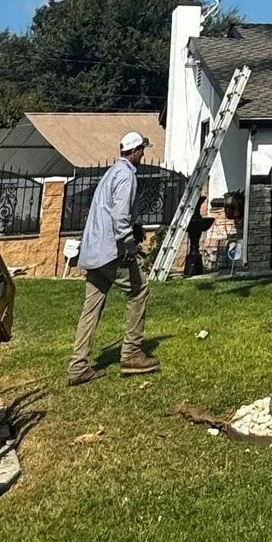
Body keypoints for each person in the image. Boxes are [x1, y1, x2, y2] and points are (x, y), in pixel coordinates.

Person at [65, 130, 160, 383]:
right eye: (142, 150)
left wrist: (133, 226)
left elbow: (110, 210)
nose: (143, 155)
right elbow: (119, 214)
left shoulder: (111, 173)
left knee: (91, 308)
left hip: (93, 250)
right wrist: (128, 241)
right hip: (110, 251)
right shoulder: (127, 175)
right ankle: (131, 354)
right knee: (139, 290)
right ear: (136, 151)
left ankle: (78, 366)